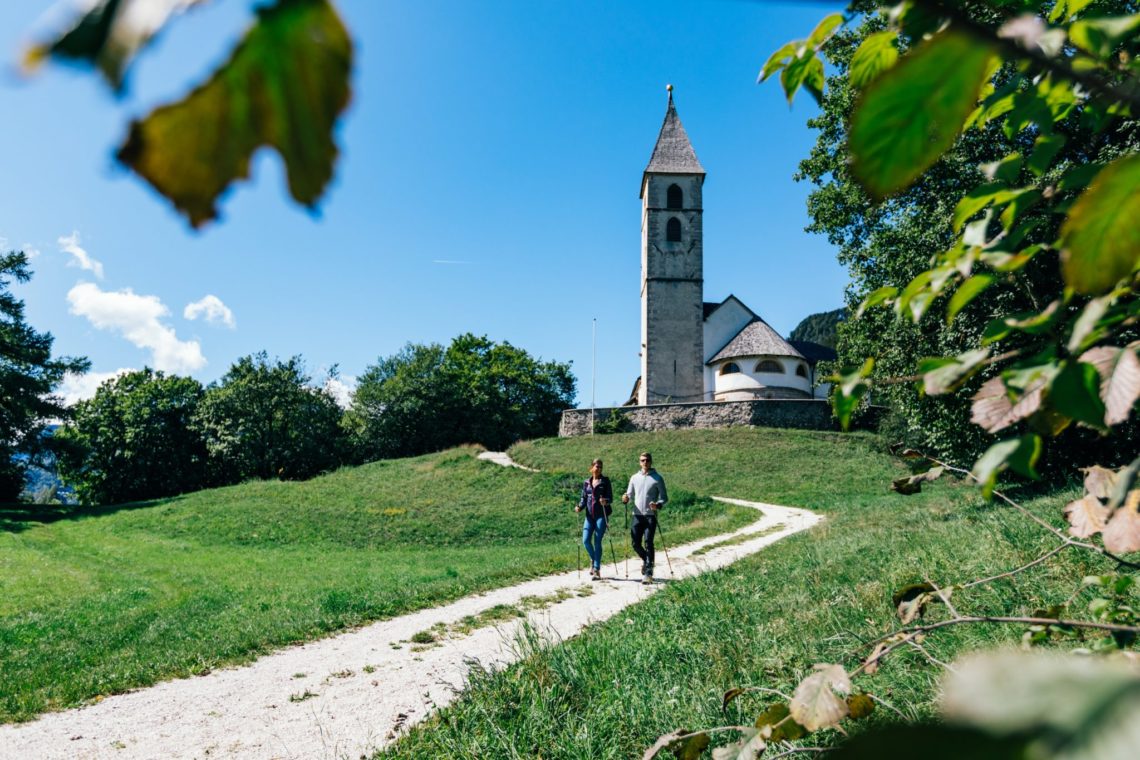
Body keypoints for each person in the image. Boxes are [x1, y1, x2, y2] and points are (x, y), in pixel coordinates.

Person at [622, 451, 667, 584]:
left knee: (648, 542)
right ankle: (647, 561)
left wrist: (657, 504)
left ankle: (648, 572)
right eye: (642, 460)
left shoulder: (658, 478)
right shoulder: (634, 477)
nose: (645, 462)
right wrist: (625, 498)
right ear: (639, 462)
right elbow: (629, 494)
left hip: (650, 516)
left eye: (647, 460)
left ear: (651, 461)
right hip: (637, 515)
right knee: (635, 543)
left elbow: (664, 497)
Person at [577, 458, 613, 580]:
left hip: (601, 516)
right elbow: (583, 498)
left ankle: (596, 569)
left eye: (600, 467)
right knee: (586, 540)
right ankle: (593, 558)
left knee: (597, 541)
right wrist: (579, 507)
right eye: (597, 466)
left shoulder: (605, 481)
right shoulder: (586, 482)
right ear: (591, 468)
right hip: (589, 516)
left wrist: (605, 501)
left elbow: (610, 498)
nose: (598, 469)